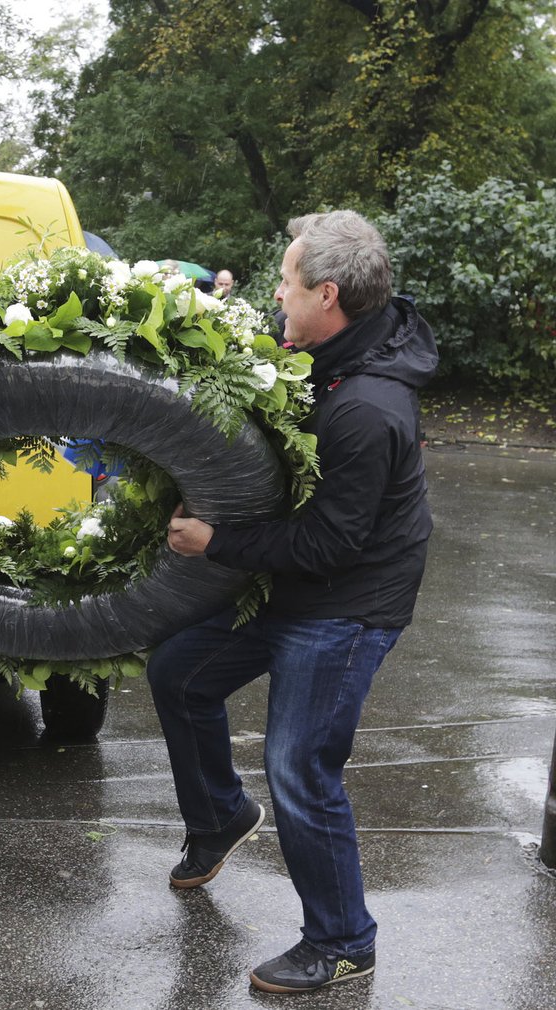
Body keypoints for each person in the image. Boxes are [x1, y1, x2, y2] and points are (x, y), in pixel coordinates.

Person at [147, 210, 438, 994]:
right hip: (300, 580)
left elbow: (328, 547)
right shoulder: (328, 354)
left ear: (329, 293)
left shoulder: (368, 407)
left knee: (300, 766)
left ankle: (344, 939)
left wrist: (216, 542)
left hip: (348, 602)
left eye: (286, 282)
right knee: (179, 672)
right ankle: (219, 817)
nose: (277, 294)